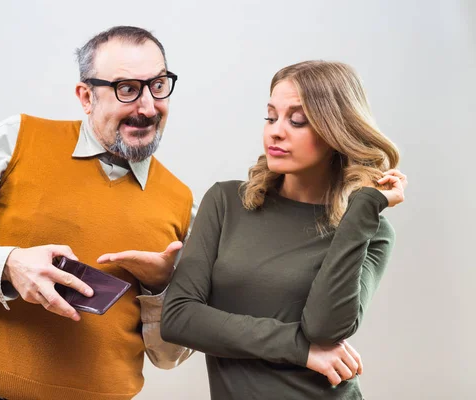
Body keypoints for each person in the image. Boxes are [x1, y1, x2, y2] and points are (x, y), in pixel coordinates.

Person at [0, 26, 195, 400]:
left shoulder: (181, 200)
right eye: (127, 89)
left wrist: (160, 290)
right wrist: (10, 265)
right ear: (86, 96)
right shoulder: (19, 139)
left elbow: (170, 357)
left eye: (158, 85)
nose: (147, 106)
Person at [161, 60, 407, 400]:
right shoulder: (226, 203)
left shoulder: (370, 230)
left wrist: (364, 207)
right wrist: (299, 349)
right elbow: (178, 317)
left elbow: (324, 328)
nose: (276, 131)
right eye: (271, 116)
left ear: (337, 131)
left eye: (298, 120)